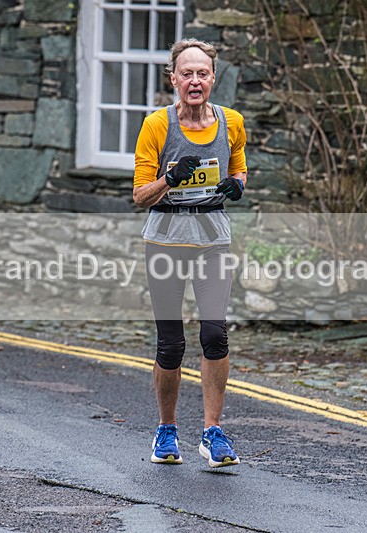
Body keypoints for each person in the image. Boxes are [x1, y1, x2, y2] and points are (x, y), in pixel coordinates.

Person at [132, 39, 247, 468]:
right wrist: (169, 179)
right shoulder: (156, 125)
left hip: (212, 237)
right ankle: (166, 431)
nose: (194, 81)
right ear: (173, 79)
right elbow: (140, 195)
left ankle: (213, 432)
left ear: (213, 78)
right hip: (165, 238)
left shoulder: (232, 122)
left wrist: (237, 185)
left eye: (202, 73)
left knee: (215, 334)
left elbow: (239, 168)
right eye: (186, 74)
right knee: (171, 343)